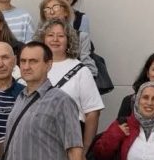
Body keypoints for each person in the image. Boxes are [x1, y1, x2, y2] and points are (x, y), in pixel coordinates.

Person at [37, 18, 104, 150]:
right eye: (50, 35)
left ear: (69, 40)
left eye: (61, 36)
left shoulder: (81, 70)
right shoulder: (34, 67)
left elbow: (92, 113)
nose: (55, 39)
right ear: (42, 39)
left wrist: (85, 149)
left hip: (70, 141)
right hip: (38, 140)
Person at [38, 0, 97, 75]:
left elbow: (91, 70)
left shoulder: (81, 37)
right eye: (47, 9)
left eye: (56, 7)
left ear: (66, 12)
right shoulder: (38, 37)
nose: (51, 12)